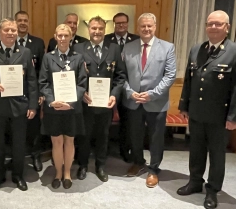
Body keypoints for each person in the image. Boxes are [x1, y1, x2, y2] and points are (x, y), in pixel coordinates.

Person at [177, 10, 236, 209]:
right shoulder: (196, 49)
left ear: (227, 27)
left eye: (218, 24)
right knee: (196, 151)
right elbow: (189, 80)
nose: (213, 27)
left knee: (217, 155)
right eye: (210, 23)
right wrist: (184, 105)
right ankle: (195, 182)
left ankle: (212, 190)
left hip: (221, 116)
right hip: (197, 113)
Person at [0, 18, 38, 192]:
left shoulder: (25, 52)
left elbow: (32, 80)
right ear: (0, 32)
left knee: (19, 144)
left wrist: (33, 105)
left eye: (13, 30)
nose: (11, 33)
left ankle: (18, 176)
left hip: (19, 106)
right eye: (7, 30)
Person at [122, 13, 176, 188]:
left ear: (155, 26)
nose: (146, 29)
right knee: (135, 136)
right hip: (133, 101)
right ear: (138, 28)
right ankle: (138, 162)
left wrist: (152, 94)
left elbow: (170, 76)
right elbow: (121, 75)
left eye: (149, 26)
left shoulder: (167, 48)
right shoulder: (128, 47)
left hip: (156, 102)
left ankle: (153, 169)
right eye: (143, 26)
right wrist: (130, 92)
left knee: (156, 138)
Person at [74, 16, 126, 182]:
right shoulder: (78, 48)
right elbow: (72, 75)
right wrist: (80, 93)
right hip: (85, 102)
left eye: (100, 29)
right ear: (88, 29)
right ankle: (82, 165)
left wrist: (114, 95)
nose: (97, 32)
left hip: (105, 103)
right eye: (93, 28)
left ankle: (100, 166)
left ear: (105, 30)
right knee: (84, 135)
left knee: (103, 135)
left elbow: (120, 76)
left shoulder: (114, 49)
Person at [39, 24, 87, 189]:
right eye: (59, 35)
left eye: (66, 35)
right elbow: (43, 82)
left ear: (71, 37)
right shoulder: (48, 57)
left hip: (72, 108)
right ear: (55, 36)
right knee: (56, 142)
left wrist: (71, 103)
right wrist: (52, 101)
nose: (62, 38)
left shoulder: (78, 57)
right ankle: (58, 172)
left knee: (70, 141)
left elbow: (82, 84)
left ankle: (67, 172)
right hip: (53, 108)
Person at [104, 12, 140, 162]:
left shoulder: (136, 40)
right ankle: (104, 149)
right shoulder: (106, 39)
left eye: (124, 23)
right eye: (118, 23)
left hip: (128, 86)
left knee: (127, 121)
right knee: (105, 120)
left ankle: (125, 150)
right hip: (108, 86)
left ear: (128, 23)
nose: (121, 25)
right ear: (114, 24)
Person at [15, 10, 46, 171]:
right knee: (15, 126)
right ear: (15, 23)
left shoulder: (38, 43)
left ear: (29, 23)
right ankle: (16, 157)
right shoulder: (9, 42)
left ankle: (35, 155)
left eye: (25, 20)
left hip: (32, 91)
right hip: (13, 93)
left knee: (34, 126)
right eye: (19, 20)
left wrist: (40, 92)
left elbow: (42, 70)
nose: (22, 23)